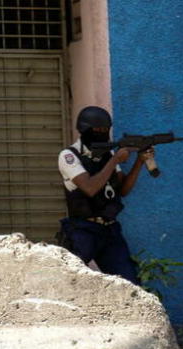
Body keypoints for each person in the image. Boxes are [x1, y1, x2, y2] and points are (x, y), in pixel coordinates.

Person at [56, 106, 154, 284]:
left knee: (129, 284)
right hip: (82, 230)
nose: (103, 133)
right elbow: (89, 188)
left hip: (109, 230)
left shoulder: (107, 155)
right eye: (98, 130)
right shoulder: (69, 156)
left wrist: (139, 162)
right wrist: (115, 160)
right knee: (69, 283)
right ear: (85, 130)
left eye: (106, 129)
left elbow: (123, 189)